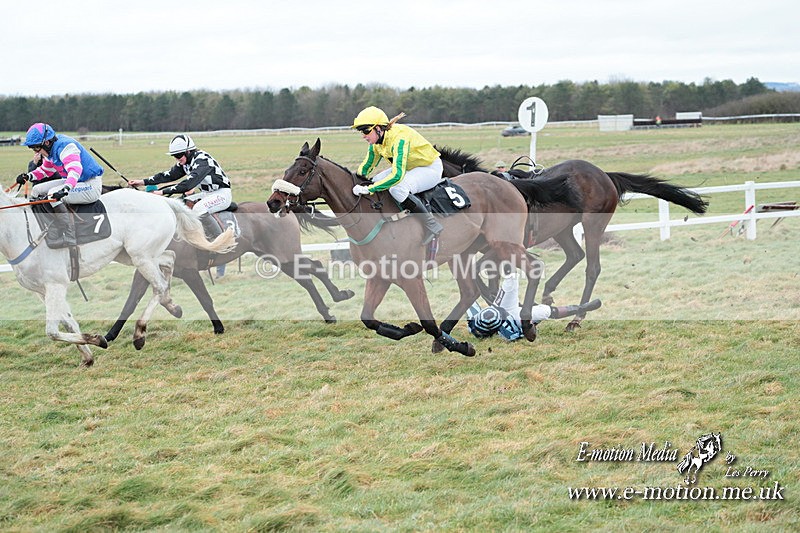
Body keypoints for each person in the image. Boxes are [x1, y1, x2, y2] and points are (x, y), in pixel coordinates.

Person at [350, 106, 444, 245]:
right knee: (373, 181)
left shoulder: (399, 138)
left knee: (397, 189)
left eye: (366, 131)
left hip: (429, 168)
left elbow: (397, 175)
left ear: (378, 128)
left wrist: (370, 189)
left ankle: (431, 225)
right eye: (361, 132)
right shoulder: (376, 142)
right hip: (410, 168)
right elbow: (367, 165)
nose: (363, 136)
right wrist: (355, 181)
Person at [16, 123, 104, 247]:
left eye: (36, 148)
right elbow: (45, 171)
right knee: (36, 189)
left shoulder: (66, 146)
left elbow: (75, 170)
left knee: (52, 194)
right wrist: (28, 176)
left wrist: (66, 189)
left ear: (46, 143)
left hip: (90, 184)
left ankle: (69, 236)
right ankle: (40, 226)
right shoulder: (50, 151)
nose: (35, 151)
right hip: (76, 181)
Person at [129, 134, 232, 240]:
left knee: (198, 209)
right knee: (178, 205)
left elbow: (188, 184)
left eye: (178, 155)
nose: (176, 159)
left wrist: (162, 192)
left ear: (188, 151)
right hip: (206, 194)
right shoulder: (186, 162)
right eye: (174, 156)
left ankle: (220, 241)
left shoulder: (202, 160)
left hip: (221, 193)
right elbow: (168, 175)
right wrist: (142, 182)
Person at [466, 272, 602, 340]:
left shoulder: (475, 319)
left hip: (499, 306)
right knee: (546, 311)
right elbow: (531, 337)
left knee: (511, 277)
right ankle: (581, 308)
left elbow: (470, 304)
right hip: (513, 315)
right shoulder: (510, 330)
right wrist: (529, 324)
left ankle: (508, 253)